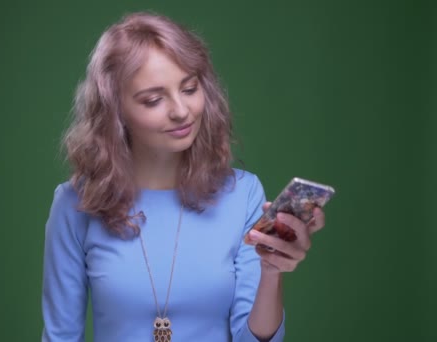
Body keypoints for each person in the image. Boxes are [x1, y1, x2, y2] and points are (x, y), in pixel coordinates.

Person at [41, 11, 326, 342]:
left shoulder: (243, 194)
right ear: (115, 110)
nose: (181, 110)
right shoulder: (75, 204)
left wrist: (272, 271)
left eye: (189, 88)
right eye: (154, 99)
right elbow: (60, 337)